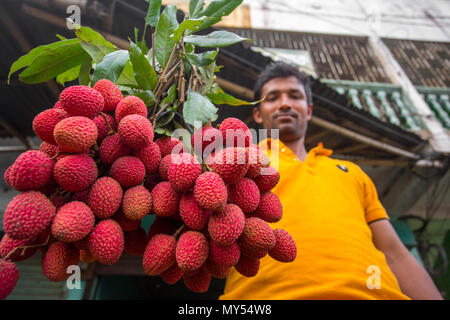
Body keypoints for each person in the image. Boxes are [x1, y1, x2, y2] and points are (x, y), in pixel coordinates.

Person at [219, 61, 443, 300]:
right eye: (273, 98)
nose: (285, 103)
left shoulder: (352, 172)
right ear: (257, 113)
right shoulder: (238, 161)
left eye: (294, 96)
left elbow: (394, 253)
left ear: (310, 109)